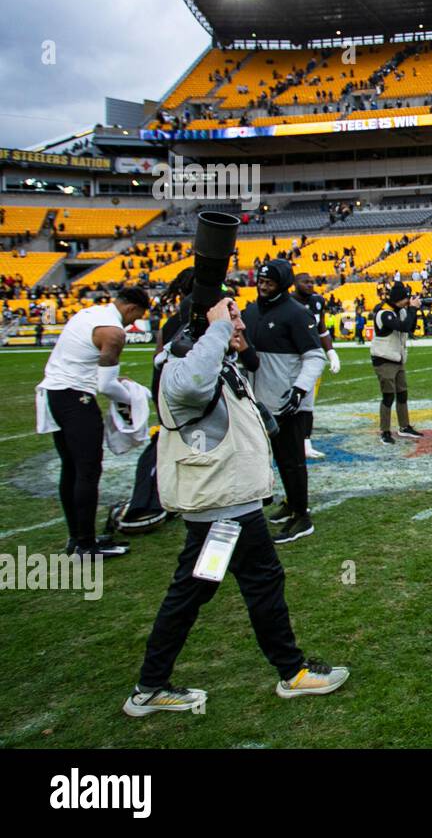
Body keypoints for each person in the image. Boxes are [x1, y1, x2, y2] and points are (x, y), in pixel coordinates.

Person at [125, 297, 349, 716]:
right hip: (224, 510)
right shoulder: (184, 366)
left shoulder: (213, 362)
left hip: (225, 506)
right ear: (207, 323)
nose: (242, 325)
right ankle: (292, 672)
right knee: (258, 583)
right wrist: (216, 329)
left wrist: (225, 339)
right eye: (233, 318)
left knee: (195, 590)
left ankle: (151, 684)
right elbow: (189, 386)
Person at [35, 287, 150, 557]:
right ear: (131, 309)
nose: (132, 323)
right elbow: (106, 385)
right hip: (75, 398)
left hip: (55, 393)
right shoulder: (113, 331)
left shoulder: (89, 313)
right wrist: (138, 395)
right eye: (135, 317)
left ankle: (78, 538)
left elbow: (89, 365)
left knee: (71, 468)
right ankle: (86, 545)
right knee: (88, 470)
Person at [242, 259, 325, 545]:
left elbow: (315, 356)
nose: (263, 286)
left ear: (283, 284)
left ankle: (302, 516)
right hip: (261, 399)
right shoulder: (251, 311)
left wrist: (300, 389)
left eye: (270, 282)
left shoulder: (296, 313)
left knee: (292, 461)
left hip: (288, 401)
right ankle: (291, 502)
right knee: (279, 458)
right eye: (261, 281)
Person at [291, 274, 341, 460]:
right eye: (306, 282)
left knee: (307, 404)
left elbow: (321, 329)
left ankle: (306, 443)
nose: (310, 285)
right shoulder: (288, 303)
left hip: (310, 356)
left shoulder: (318, 301)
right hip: (290, 357)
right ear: (295, 284)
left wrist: (331, 352)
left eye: (312, 282)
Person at [370, 281, 424, 444]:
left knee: (402, 393)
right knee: (388, 396)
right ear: (398, 299)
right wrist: (412, 309)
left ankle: (404, 426)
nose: (407, 302)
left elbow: (410, 327)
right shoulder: (384, 313)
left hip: (397, 357)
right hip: (384, 358)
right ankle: (385, 431)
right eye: (405, 299)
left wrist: (413, 311)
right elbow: (402, 327)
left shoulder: (399, 311)